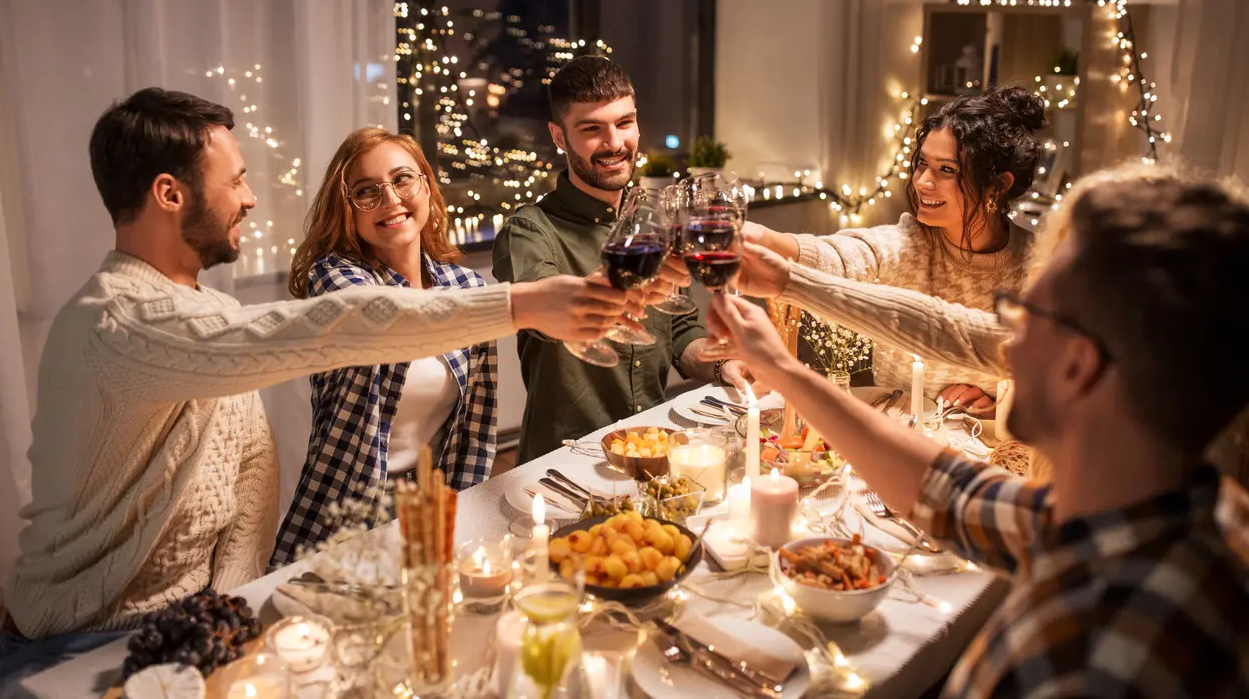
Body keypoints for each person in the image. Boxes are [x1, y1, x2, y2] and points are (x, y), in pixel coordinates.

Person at [0, 89, 633, 698]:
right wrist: (519, 302)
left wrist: (229, 620)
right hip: (79, 642)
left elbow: (250, 487)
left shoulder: (206, 308)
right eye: (235, 179)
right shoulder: (118, 321)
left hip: (198, 624)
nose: (250, 199)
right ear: (169, 193)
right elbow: (336, 326)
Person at [709, 170, 1249, 696]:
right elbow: (950, 493)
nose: (1003, 345)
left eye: (1023, 313)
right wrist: (781, 368)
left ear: (1078, 366)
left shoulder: (1082, 663)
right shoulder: (1162, 511)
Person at [493, 56, 751, 462]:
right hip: (565, 461)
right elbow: (542, 310)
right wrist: (612, 287)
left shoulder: (655, 220)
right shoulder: (528, 230)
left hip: (652, 448)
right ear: (559, 137)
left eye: (624, 123)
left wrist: (723, 364)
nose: (614, 143)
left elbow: (680, 329)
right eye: (592, 129)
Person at [273, 128, 500, 566]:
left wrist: (467, 510)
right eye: (366, 191)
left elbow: (474, 427)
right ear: (348, 211)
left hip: (433, 495)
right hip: (350, 504)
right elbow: (382, 317)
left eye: (402, 180)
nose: (391, 199)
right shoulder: (335, 279)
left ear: (427, 188)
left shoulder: (465, 285)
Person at [744, 86, 1045, 410]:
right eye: (922, 164)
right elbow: (843, 256)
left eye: (947, 170)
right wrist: (764, 238)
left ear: (998, 185)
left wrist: (1000, 402)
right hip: (894, 441)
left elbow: (1054, 392)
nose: (922, 182)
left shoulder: (1040, 269)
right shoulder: (911, 242)